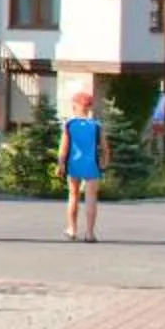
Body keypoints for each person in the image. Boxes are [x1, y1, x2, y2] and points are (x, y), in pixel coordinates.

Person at [59, 87, 104, 242]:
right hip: (91, 164)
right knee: (91, 197)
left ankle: (72, 229)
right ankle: (90, 233)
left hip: (74, 163)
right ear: (89, 107)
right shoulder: (97, 125)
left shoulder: (69, 124)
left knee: (73, 195)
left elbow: (64, 147)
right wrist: (105, 161)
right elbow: (104, 146)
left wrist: (61, 163)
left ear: (76, 106)